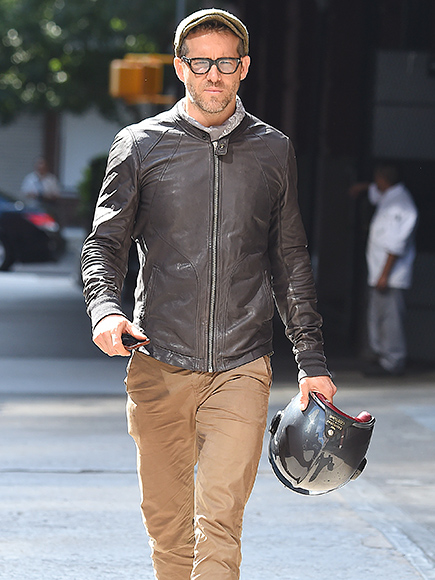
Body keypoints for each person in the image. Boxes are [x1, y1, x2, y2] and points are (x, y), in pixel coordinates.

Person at [81, 8, 336, 579]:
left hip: (242, 361)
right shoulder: (141, 146)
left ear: (243, 67)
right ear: (180, 68)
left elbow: (289, 258)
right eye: (201, 63)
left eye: (225, 63)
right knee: (170, 528)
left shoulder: (273, 151)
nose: (213, 76)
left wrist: (311, 362)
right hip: (158, 356)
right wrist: (105, 309)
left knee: (220, 519)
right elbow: (104, 245)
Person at [350, 163, 418, 376]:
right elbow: (375, 195)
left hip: (390, 276)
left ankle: (392, 362)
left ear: (383, 179)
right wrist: (363, 187)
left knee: (390, 320)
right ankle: (381, 358)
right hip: (380, 273)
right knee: (378, 318)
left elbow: (395, 245)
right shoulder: (389, 197)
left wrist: (384, 275)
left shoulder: (400, 205)